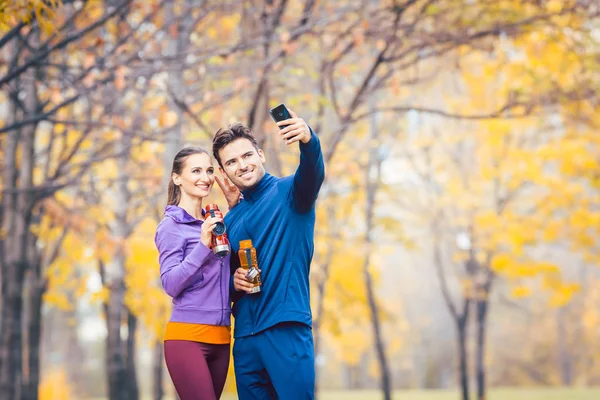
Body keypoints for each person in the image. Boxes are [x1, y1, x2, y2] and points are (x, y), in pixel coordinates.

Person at [211, 108, 325, 399]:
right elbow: (219, 283)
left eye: (247, 155)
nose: (243, 165)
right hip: (245, 340)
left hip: (285, 328)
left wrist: (308, 139)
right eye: (232, 162)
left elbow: (312, 171)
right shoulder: (231, 219)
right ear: (224, 172)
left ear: (260, 155)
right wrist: (233, 283)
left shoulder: (291, 193)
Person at [154, 147, 235, 400]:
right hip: (187, 338)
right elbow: (170, 283)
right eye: (196, 170)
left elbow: (215, 284)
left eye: (209, 170)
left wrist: (237, 284)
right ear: (177, 178)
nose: (206, 177)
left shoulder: (215, 222)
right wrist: (202, 246)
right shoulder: (171, 227)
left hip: (222, 338)